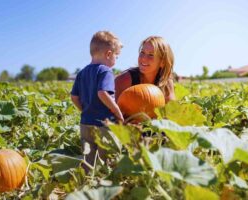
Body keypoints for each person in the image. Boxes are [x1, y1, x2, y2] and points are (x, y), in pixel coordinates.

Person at [70, 31, 124, 172]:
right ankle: (102, 178)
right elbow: (102, 93)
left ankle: (87, 178)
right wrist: (117, 111)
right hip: (103, 123)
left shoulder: (81, 73)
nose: (116, 60)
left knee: (88, 156)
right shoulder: (105, 71)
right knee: (105, 156)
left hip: (85, 122)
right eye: (116, 57)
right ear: (108, 54)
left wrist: (84, 110)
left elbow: (74, 97)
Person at [115, 36, 175, 104]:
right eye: (142, 52)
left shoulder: (166, 82)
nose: (143, 58)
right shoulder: (124, 80)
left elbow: (171, 110)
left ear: (162, 62)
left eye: (151, 55)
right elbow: (112, 111)